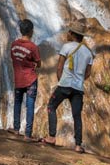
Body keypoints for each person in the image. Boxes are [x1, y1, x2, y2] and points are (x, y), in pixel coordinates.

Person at [40, 19, 94, 154]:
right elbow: (88, 73)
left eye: (69, 32)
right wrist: (79, 80)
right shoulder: (88, 53)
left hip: (65, 85)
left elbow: (59, 67)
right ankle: (78, 145)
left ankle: (52, 137)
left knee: (51, 106)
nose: (67, 34)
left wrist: (61, 81)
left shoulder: (66, 47)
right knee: (77, 115)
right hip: (78, 88)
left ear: (71, 33)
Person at [10, 19, 41, 139]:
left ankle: (16, 129)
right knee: (30, 104)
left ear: (21, 30)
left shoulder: (14, 45)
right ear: (31, 32)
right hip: (30, 80)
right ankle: (27, 134)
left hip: (18, 80)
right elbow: (39, 64)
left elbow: (14, 59)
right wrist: (33, 64)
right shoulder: (33, 47)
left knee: (17, 102)